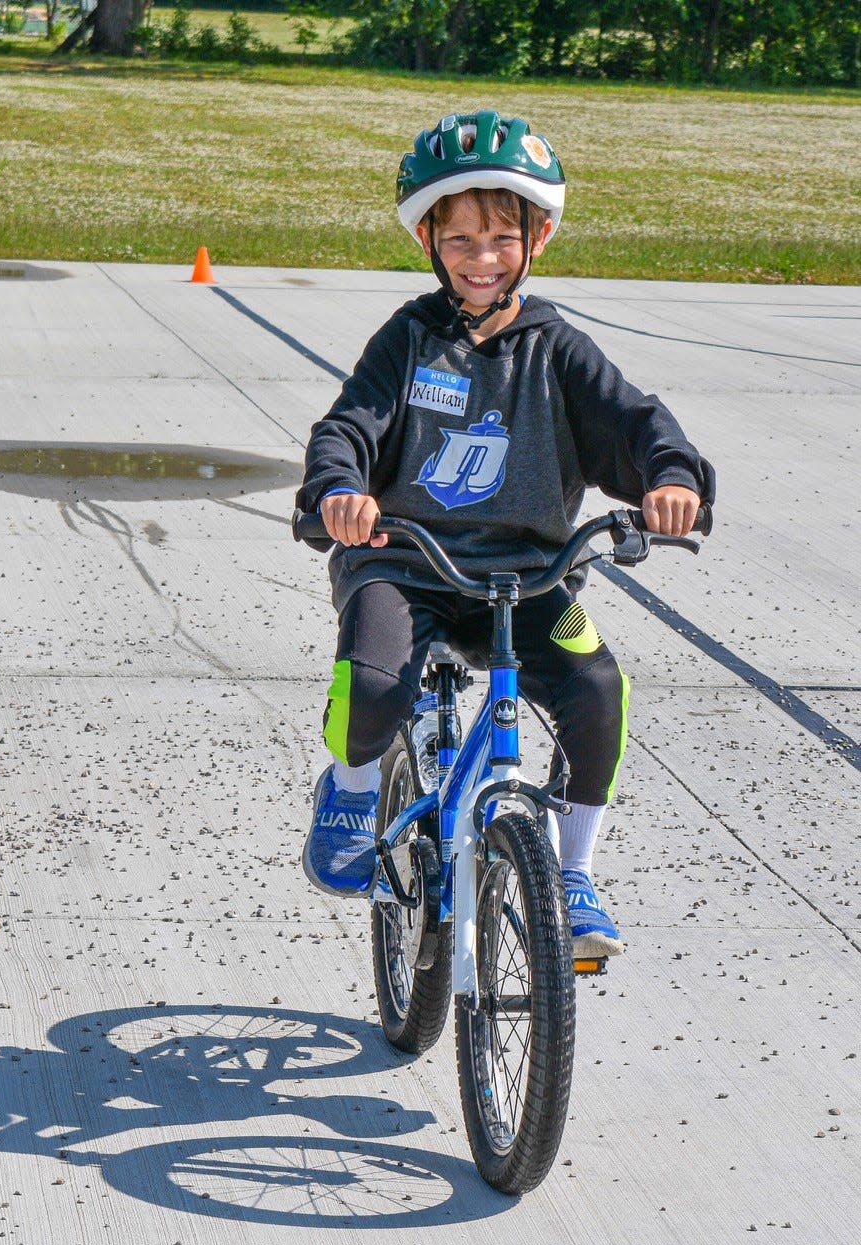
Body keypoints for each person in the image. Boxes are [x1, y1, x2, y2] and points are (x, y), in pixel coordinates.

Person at [295, 109, 715, 958]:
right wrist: (340, 490)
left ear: (539, 236)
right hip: (404, 566)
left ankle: (572, 871)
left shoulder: (556, 348)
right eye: (459, 241)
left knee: (598, 691)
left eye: (498, 239)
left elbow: (634, 421)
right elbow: (348, 429)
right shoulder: (409, 340)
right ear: (427, 241)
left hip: (528, 580)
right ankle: (350, 785)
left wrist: (671, 478)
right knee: (373, 688)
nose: (480, 259)